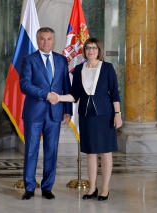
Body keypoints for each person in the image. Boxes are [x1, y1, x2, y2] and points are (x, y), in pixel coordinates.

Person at [52, 37, 122, 201]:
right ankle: (92, 188)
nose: (91, 50)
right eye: (88, 48)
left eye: (94, 48)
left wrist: (117, 114)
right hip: (86, 115)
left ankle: (105, 188)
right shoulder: (78, 69)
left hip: (105, 115)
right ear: (84, 51)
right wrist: (58, 97)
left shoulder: (107, 68)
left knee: (105, 152)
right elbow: (74, 95)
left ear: (99, 51)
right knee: (90, 153)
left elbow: (115, 94)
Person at [19, 27, 72, 200]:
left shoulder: (61, 60)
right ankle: (29, 187)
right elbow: (24, 85)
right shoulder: (29, 60)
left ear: (53, 40)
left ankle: (47, 187)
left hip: (55, 113)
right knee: (31, 151)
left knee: (52, 151)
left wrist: (68, 110)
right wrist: (45, 95)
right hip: (34, 112)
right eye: (42, 39)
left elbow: (66, 85)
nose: (46, 42)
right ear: (37, 40)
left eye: (49, 39)